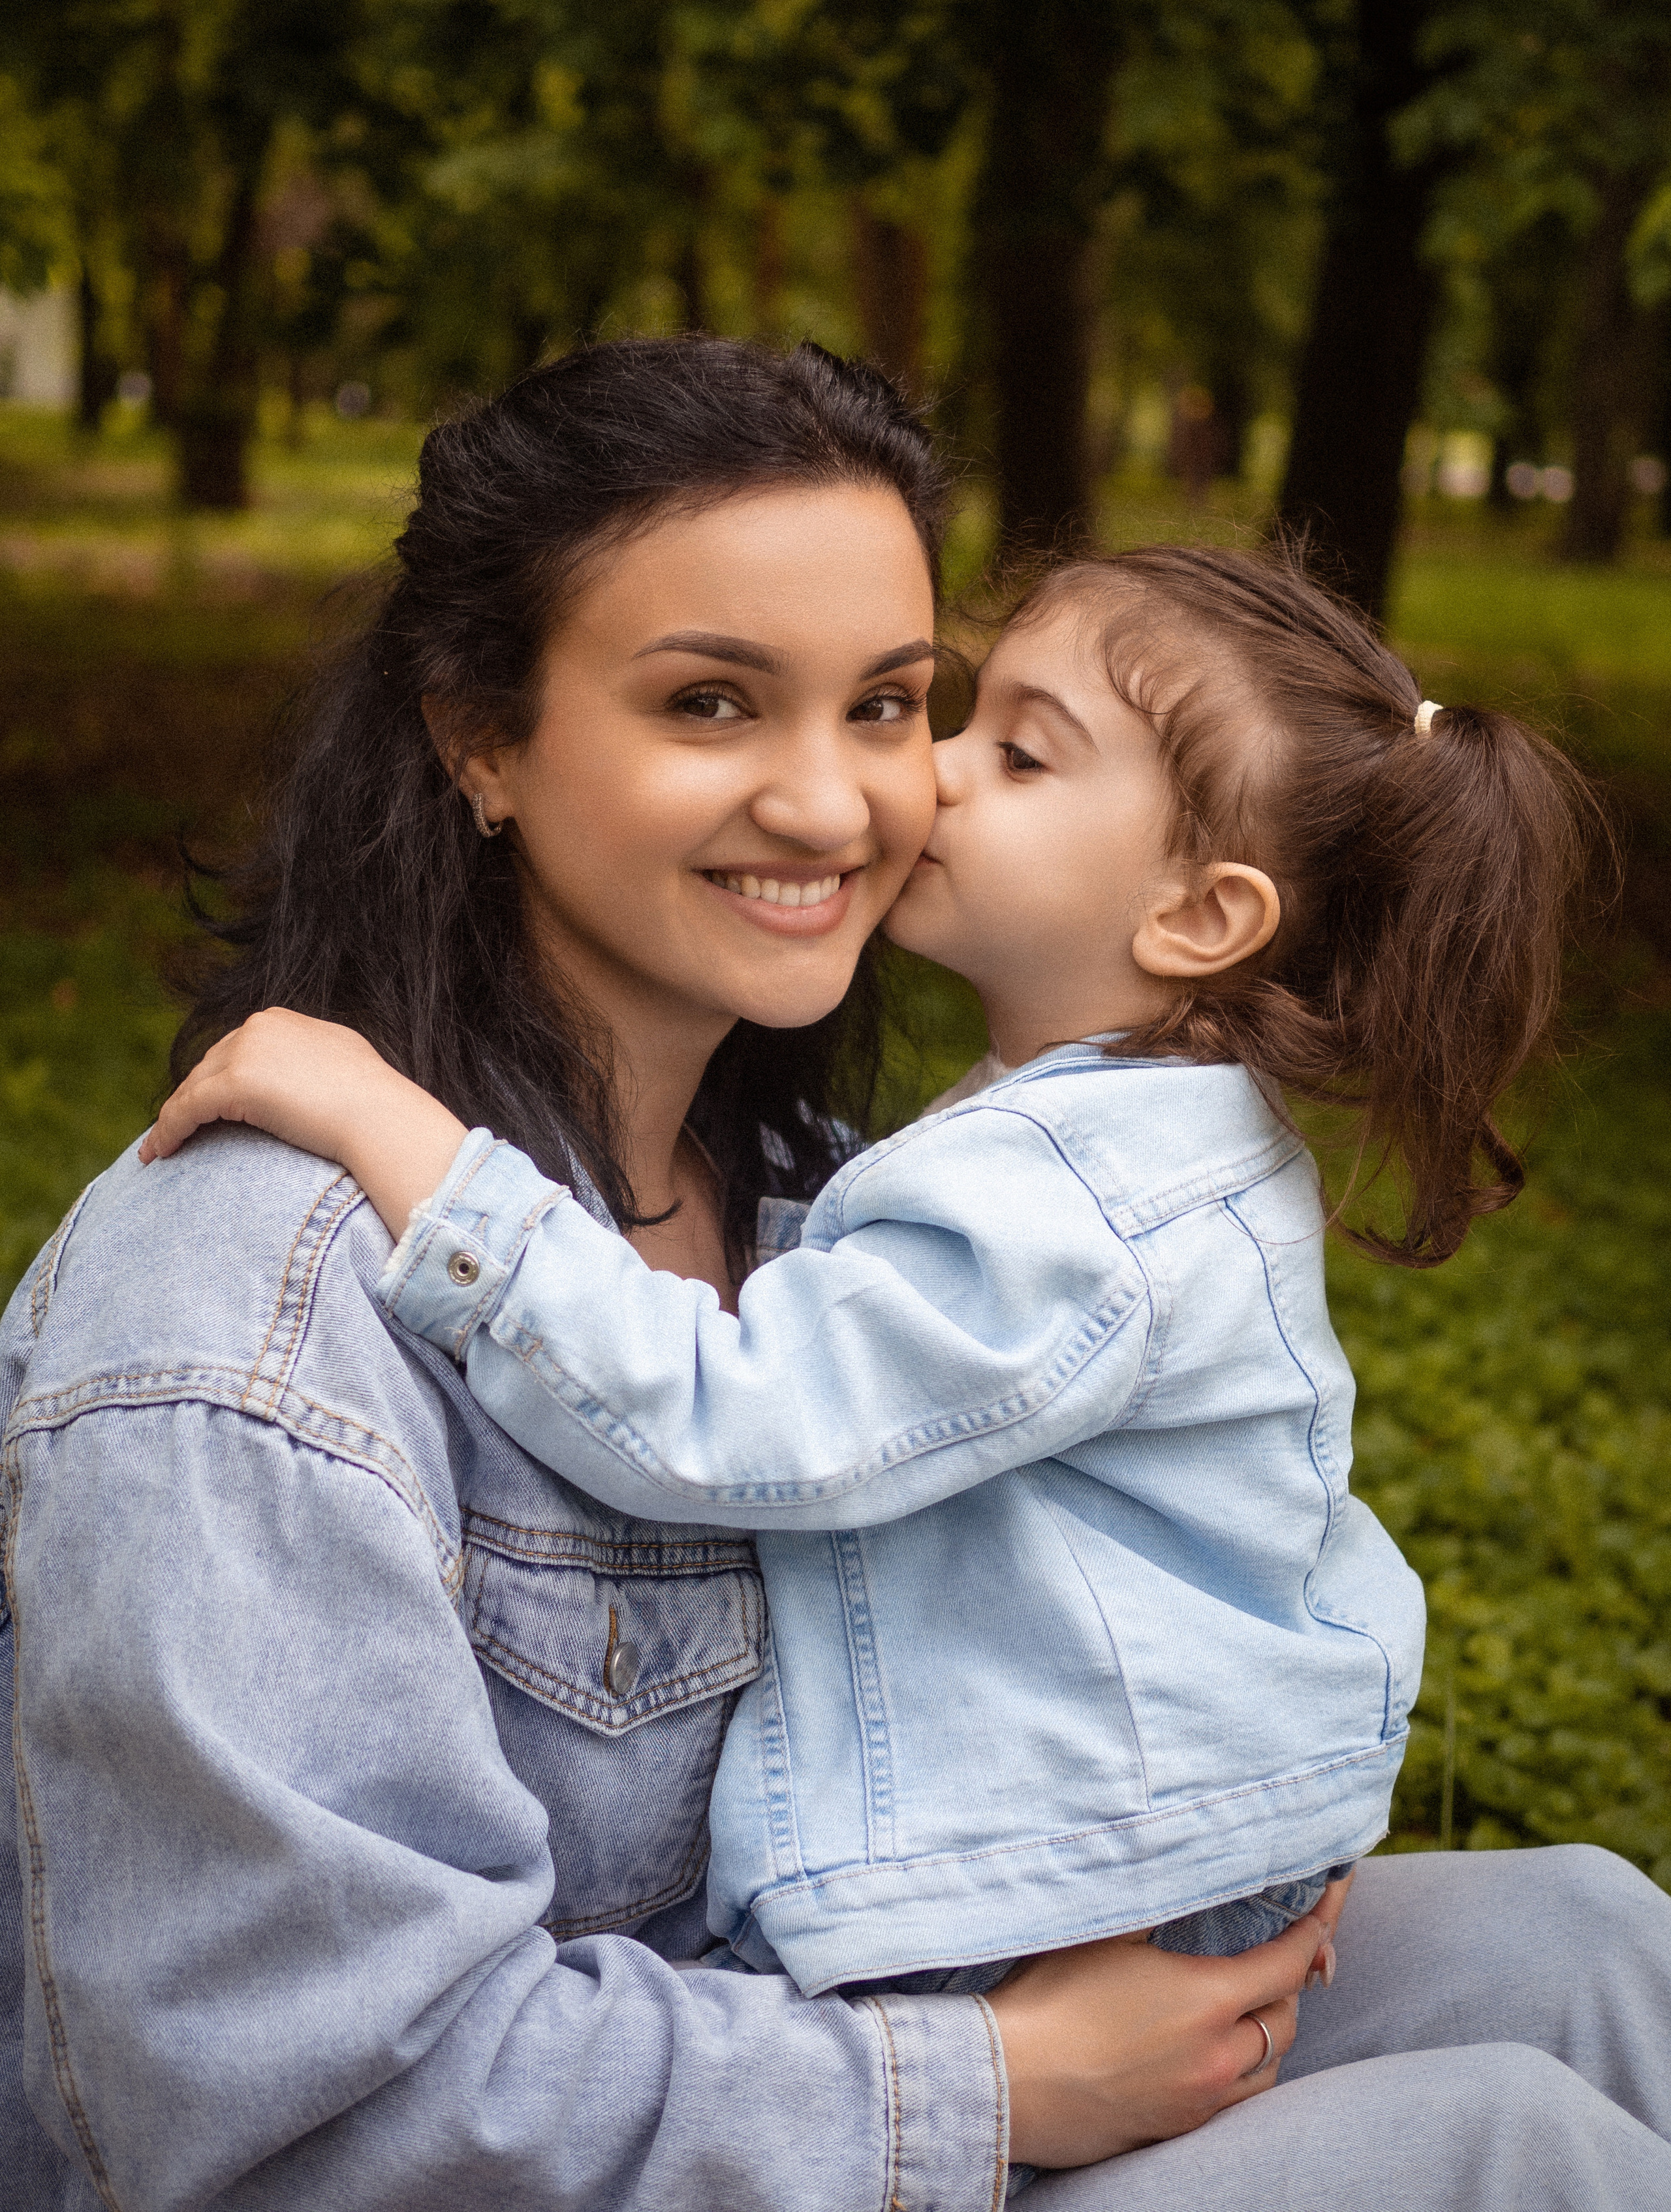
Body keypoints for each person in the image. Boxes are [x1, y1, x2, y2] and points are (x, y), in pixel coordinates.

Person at [3, 340, 1668, 2212]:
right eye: (713, 704)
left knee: (1590, 1946)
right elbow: (293, 2130)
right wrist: (985, 2084)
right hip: (652, 2126)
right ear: (478, 734)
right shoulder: (243, 1323)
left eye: (890, 705)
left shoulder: (807, 1182)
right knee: (1514, 2159)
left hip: (832, 1983)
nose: (845, 801)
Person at [149, 540, 1599, 2014]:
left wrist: (406, 1141)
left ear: (1198, 920)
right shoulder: (1130, 1139)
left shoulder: (1075, 1204)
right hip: (1162, 1839)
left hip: (1061, 1887)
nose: (929, 779)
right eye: (955, 716)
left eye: (1021, 755)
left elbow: (727, 1419)